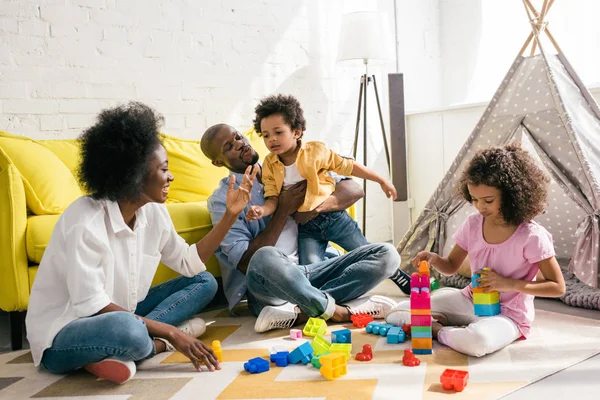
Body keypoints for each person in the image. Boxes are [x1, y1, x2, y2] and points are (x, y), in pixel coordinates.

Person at [26, 102, 257, 384]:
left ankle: (116, 354)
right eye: (163, 169)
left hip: (125, 313)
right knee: (130, 330)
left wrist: (230, 215)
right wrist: (173, 333)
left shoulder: (153, 211)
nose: (171, 176)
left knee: (204, 281)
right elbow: (90, 306)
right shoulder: (84, 222)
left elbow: (188, 262)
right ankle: (153, 346)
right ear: (134, 174)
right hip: (64, 332)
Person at [201, 123, 401, 333]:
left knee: (388, 254)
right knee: (264, 256)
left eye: (238, 137)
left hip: (316, 270)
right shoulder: (222, 200)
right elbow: (246, 264)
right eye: (229, 146)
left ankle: (302, 310)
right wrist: (284, 209)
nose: (240, 144)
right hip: (272, 286)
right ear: (217, 162)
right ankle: (337, 310)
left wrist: (314, 209)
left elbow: (353, 189)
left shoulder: (286, 165)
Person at [385, 143, 566, 357]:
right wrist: (434, 258)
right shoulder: (473, 224)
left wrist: (508, 284)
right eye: (474, 199)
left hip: (509, 315)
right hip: (470, 300)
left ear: (512, 196)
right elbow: (451, 266)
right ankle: (453, 323)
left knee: (478, 343)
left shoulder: (532, 236)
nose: (480, 207)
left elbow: (558, 287)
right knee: (397, 313)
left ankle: (439, 330)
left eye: (488, 200)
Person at [245, 94, 412, 294]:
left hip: (334, 219)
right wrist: (261, 210)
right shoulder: (270, 165)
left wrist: (381, 180)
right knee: (310, 274)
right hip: (306, 227)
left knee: (365, 251)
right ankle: (326, 298)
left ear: (296, 132)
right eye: (265, 135)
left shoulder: (316, 151)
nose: (271, 139)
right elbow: (273, 199)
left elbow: (348, 166)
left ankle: (395, 273)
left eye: (278, 132)